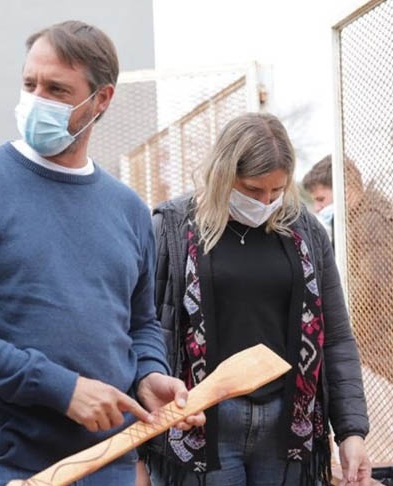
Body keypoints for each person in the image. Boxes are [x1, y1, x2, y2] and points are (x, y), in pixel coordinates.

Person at [0, 20, 204, 485]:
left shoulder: (127, 209)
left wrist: (149, 374)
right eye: (30, 84)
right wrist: (61, 388)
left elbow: (140, 322)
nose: (36, 100)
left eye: (56, 89)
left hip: (110, 460)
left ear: (101, 100)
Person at [145, 113, 371, 485]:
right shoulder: (172, 228)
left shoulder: (306, 231)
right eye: (252, 191)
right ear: (223, 174)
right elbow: (149, 329)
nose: (266, 201)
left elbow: (336, 336)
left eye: (277, 191)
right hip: (203, 426)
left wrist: (351, 432)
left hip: (287, 430)